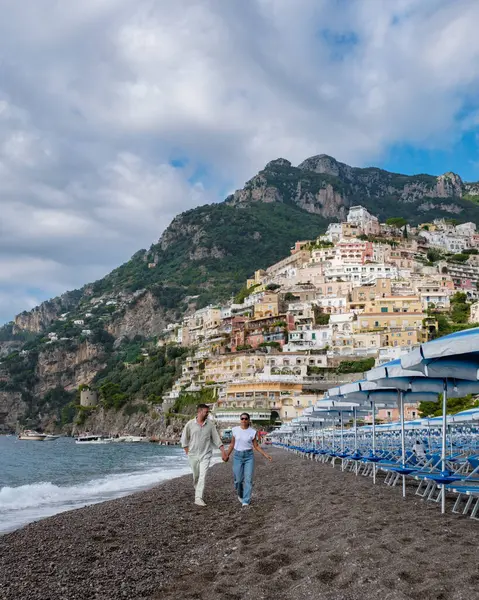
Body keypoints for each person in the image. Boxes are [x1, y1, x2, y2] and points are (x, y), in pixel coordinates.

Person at [180, 403, 228, 507]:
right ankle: (198, 490)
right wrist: (188, 453)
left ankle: (198, 498)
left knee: (203, 476)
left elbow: (216, 439)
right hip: (193, 455)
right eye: (206, 412)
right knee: (196, 476)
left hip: (206, 454)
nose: (207, 414)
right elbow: (184, 441)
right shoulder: (190, 424)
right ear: (199, 411)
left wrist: (223, 452)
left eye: (208, 412)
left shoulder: (210, 425)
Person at [226, 412, 272, 507]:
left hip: (249, 457)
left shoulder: (252, 432)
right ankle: (241, 494)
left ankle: (246, 501)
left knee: (248, 479)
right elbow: (232, 444)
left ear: (248, 420)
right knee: (238, 480)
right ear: (240, 420)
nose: (243, 420)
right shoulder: (235, 430)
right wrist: (226, 455)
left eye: (245, 418)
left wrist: (265, 455)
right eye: (242, 418)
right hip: (237, 456)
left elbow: (256, 446)